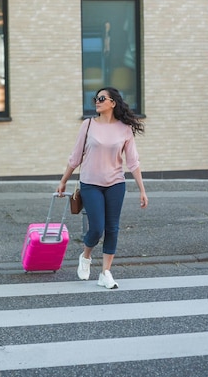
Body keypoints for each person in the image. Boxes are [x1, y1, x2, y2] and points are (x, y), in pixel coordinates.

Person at [57, 87, 148, 289]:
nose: (97, 102)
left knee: (112, 228)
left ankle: (106, 272)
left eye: (101, 98)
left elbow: (133, 162)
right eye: (95, 99)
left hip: (116, 183)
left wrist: (142, 189)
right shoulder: (88, 125)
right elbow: (75, 156)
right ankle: (86, 255)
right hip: (90, 183)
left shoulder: (124, 128)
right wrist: (64, 180)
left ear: (112, 103)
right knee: (97, 228)